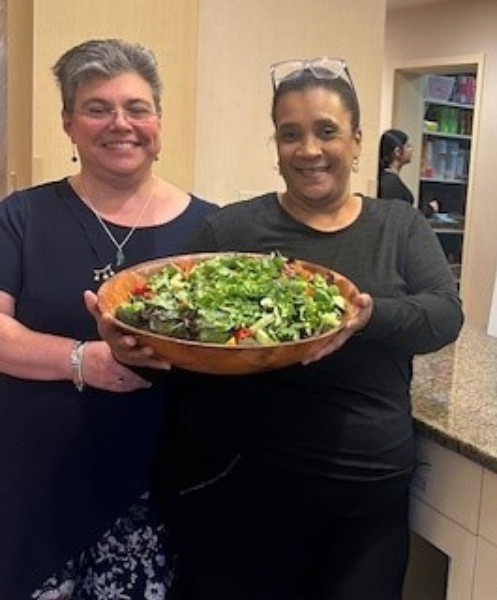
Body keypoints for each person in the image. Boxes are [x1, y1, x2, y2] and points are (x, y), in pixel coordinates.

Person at [90, 57, 464, 600]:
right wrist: (130, 348)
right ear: (277, 146)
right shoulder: (233, 229)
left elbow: (443, 316)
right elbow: (184, 352)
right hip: (244, 481)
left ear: (357, 141)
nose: (308, 149)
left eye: (327, 131)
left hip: (365, 492)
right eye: (290, 134)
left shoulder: (398, 226)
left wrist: (367, 315)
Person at [0, 39, 218, 599]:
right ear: (69, 124)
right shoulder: (21, 216)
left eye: (137, 108)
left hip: (162, 490)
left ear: (159, 122)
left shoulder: (213, 233)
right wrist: (81, 359)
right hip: (36, 486)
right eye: (97, 108)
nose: (120, 123)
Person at [377, 128, 415, 204]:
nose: (412, 149)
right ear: (397, 152)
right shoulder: (390, 183)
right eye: (408, 146)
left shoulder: (386, 179)